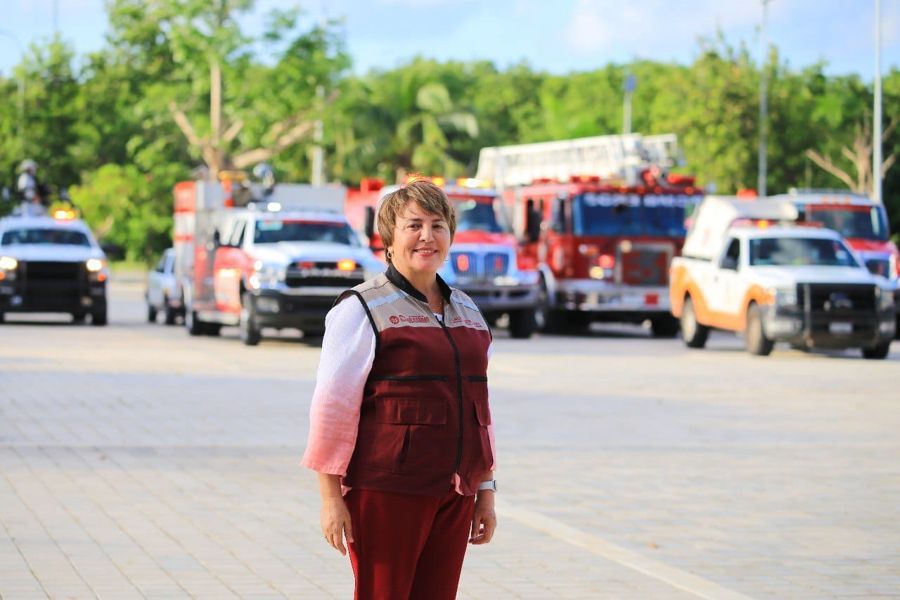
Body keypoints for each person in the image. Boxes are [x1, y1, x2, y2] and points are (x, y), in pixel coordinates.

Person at [302, 178, 497, 600]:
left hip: (454, 490)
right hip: (387, 489)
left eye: (437, 224)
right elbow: (332, 407)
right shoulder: (361, 308)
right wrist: (330, 498)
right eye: (414, 225)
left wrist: (485, 490)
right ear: (388, 238)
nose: (427, 236)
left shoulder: (468, 311)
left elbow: (480, 409)